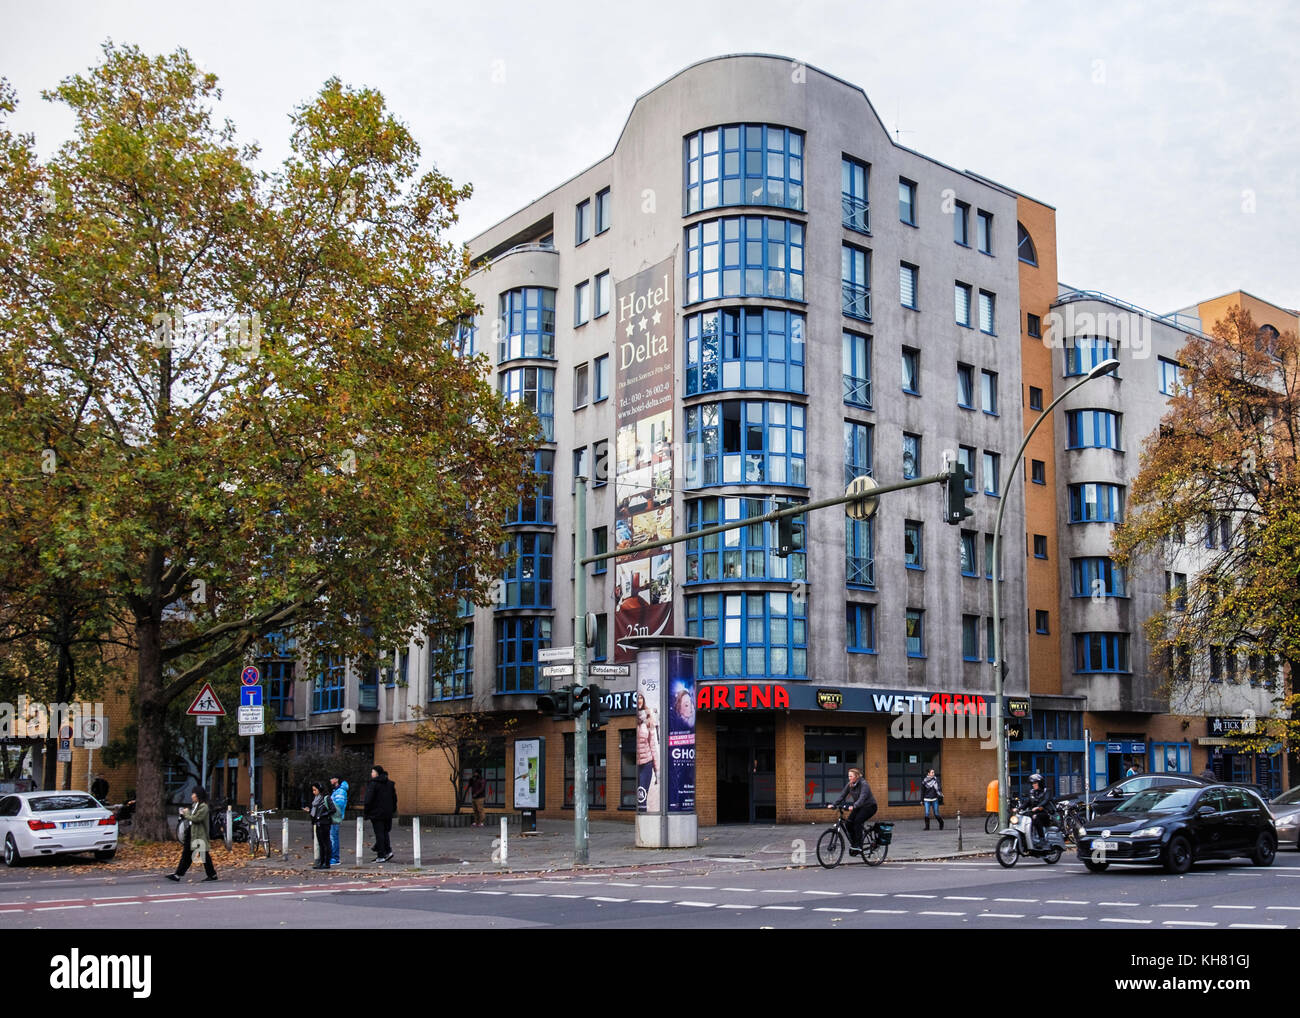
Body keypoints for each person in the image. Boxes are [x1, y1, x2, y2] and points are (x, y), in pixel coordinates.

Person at [168, 787, 217, 882]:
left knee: (202, 854)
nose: (191, 796)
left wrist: (186, 814)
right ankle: (178, 874)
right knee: (188, 854)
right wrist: (187, 812)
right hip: (193, 832)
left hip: (199, 834)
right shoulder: (196, 805)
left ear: (198, 795)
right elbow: (193, 816)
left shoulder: (204, 807)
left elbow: (196, 819)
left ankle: (212, 874)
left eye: (193, 794)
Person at [832, 767, 877, 853]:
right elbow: (842, 795)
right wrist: (834, 804)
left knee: (857, 821)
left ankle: (859, 845)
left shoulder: (864, 784)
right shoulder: (850, 784)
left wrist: (854, 806)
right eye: (848, 776)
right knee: (848, 823)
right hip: (859, 807)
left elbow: (862, 798)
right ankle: (854, 843)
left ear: (856, 776)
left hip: (870, 807)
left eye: (851, 776)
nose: (849, 778)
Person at [363, 765, 397, 862]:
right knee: (385, 832)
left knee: (379, 833)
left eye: (372, 772)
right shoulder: (390, 784)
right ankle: (387, 851)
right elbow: (394, 798)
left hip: (376, 813)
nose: (371, 774)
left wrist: (367, 812)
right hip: (387, 812)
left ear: (377, 773)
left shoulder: (373, 784)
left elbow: (368, 799)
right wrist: (393, 809)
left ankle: (381, 855)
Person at [636, 695, 659, 811]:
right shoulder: (632, 719)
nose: (639, 700)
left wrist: (657, 770)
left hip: (646, 763)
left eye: (641, 697)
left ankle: (644, 824)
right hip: (636, 764)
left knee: (642, 798)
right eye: (637, 697)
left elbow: (653, 746)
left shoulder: (649, 719)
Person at [307, 781, 336, 870]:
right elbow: (315, 812)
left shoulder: (326, 798)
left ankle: (327, 863)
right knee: (320, 844)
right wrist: (310, 811)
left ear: (319, 789)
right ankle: (321, 862)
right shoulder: (316, 799)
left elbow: (333, 809)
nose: (313, 792)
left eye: (315, 790)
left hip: (324, 823)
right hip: (318, 823)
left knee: (326, 843)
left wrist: (322, 815)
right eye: (313, 790)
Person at [1025, 772, 1053, 847]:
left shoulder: (1047, 791)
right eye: (1032, 783)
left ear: (1040, 783)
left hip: (1045, 813)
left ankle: (1042, 839)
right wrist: (1018, 808)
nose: (1033, 785)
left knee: (1035, 817)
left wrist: (1038, 806)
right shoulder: (1032, 792)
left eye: (1035, 783)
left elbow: (1046, 800)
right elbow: (1027, 802)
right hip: (1033, 812)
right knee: (1024, 817)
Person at [328, 775, 349, 865]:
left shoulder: (340, 791)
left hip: (335, 817)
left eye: (332, 778)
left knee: (333, 837)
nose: (330, 780)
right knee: (332, 837)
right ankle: (333, 857)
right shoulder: (337, 790)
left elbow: (339, 805)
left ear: (336, 780)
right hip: (334, 817)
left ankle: (335, 858)